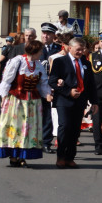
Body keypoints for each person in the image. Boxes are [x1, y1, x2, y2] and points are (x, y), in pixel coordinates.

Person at [0, 39, 52, 166]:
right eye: (40, 50)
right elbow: (6, 80)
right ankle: (13, 156)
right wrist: (3, 97)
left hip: (32, 102)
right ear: (35, 51)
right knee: (16, 127)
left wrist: (47, 94)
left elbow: (43, 83)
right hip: (17, 100)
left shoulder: (38, 65)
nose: (42, 52)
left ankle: (22, 155)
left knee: (28, 129)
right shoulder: (17, 61)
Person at [48, 38, 95, 168]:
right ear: (70, 48)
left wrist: (94, 102)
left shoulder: (86, 63)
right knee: (64, 126)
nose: (80, 52)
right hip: (64, 100)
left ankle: (70, 158)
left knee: (75, 130)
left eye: (82, 49)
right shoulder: (59, 62)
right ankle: (61, 157)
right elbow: (52, 81)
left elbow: (91, 84)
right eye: (78, 49)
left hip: (80, 101)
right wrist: (68, 91)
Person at [38, 23, 58, 153]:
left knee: (49, 116)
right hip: (37, 86)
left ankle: (46, 142)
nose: (45, 36)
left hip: (52, 87)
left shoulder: (58, 49)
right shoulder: (36, 48)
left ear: (53, 36)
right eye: (44, 33)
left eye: (48, 34)